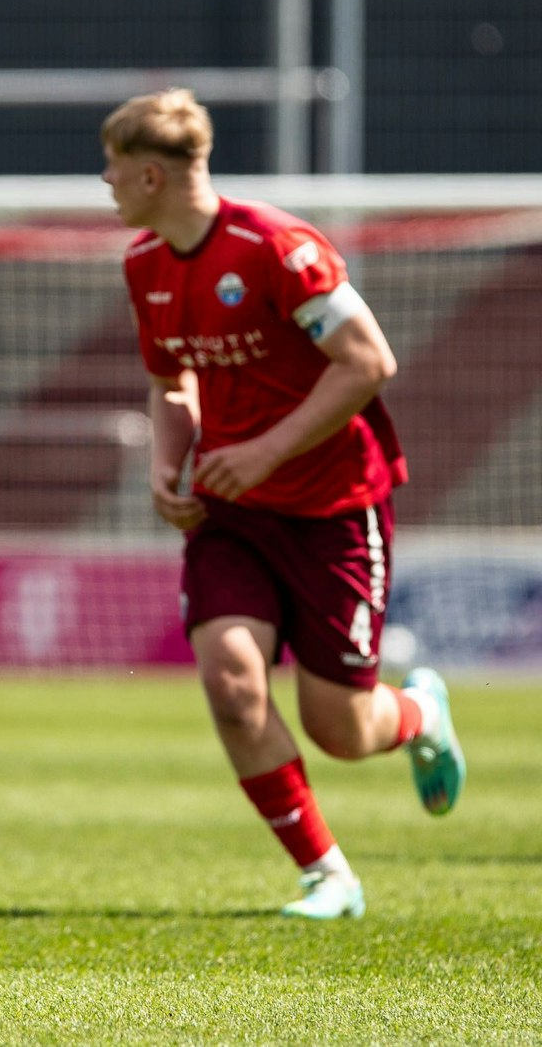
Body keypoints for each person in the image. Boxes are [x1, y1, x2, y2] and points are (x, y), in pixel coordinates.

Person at [100, 87, 465, 920]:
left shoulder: (277, 248)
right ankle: (327, 875)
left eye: (114, 168)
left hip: (334, 506)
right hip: (230, 514)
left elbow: (369, 361)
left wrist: (264, 450)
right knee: (233, 687)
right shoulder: (144, 264)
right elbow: (171, 382)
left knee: (342, 728)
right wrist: (166, 463)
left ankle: (420, 713)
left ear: (151, 175)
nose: (106, 183)